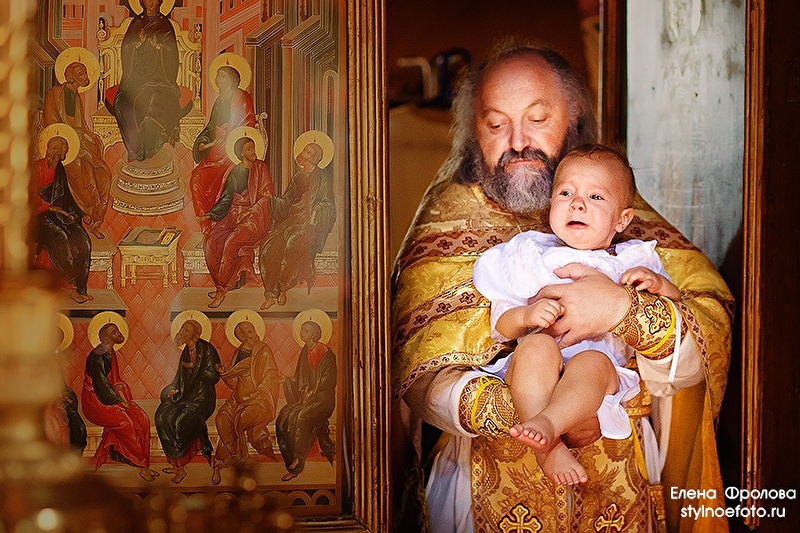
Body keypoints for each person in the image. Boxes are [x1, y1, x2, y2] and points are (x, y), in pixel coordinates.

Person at [391, 42, 733, 532]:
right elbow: (418, 364)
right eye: (496, 124)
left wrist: (623, 311)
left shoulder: (619, 211)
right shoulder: (449, 221)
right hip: (484, 481)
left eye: (536, 119)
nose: (517, 141)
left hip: (619, 477)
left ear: (572, 116)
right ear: (473, 132)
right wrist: (532, 410)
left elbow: (709, 324)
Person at [473, 144, 681, 486]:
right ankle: (549, 448)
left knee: (591, 363)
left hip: (598, 370)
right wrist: (527, 315)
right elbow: (502, 324)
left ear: (622, 219)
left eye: (595, 197)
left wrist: (658, 284)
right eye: (566, 193)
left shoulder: (632, 261)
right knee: (535, 347)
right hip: (540, 367)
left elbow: (677, 304)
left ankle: (549, 425)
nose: (577, 204)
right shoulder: (530, 257)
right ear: (550, 204)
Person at [259, 137, 336, 310]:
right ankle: (270, 293)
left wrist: (315, 210)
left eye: (308, 152)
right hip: (292, 220)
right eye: (304, 151)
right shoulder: (298, 177)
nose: (303, 154)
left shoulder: (324, 178)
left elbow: (328, 204)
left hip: (311, 224)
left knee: (292, 243)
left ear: (315, 158)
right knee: (268, 246)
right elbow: (287, 201)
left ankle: (283, 287)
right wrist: (272, 199)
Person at [201, 136, 274, 308]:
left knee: (231, 243)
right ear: (241, 153)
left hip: (256, 218)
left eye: (253, 148)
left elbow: (267, 197)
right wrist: (210, 214)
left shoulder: (261, 168)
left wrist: (250, 211)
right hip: (234, 215)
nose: (253, 152)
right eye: (249, 149)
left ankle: (222, 290)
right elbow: (227, 198)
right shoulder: (235, 172)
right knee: (211, 241)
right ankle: (219, 284)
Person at [43, 56, 112, 239]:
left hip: (79, 143)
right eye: (80, 74)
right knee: (85, 172)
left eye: (85, 74)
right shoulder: (54, 94)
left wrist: (91, 136)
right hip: (66, 145)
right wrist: (72, 134)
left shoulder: (76, 96)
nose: (84, 77)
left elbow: (81, 125)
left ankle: (96, 219)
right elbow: (51, 122)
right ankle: (88, 213)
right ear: (70, 76)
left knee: (103, 174)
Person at [109, 0, 188, 161]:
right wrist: (137, 44)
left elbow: (172, 55)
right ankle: (135, 149)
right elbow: (126, 50)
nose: (151, 2)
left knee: (154, 100)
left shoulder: (165, 25)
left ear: (160, 1)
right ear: (141, 2)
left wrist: (159, 46)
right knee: (123, 102)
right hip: (135, 79)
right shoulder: (136, 23)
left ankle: (150, 148)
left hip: (161, 79)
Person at [82, 323, 159, 481]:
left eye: (117, 330)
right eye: (114, 332)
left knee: (143, 418)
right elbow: (101, 386)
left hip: (111, 397)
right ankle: (142, 466)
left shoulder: (111, 353)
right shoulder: (97, 357)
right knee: (127, 423)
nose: (118, 333)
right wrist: (120, 402)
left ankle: (139, 461)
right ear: (107, 337)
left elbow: (114, 381)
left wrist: (121, 391)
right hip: (96, 402)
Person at [212, 320, 280, 485]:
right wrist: (224, 375)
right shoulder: (239, 353)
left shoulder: (263, 351)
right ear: (241, 337)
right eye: (249, 332)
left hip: (260, 400)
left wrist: (257, 393)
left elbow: (271, 375)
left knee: (240, 419)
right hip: (239, 399)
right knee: (222, 418)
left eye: (253, 330)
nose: (254, 334)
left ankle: (230, 459)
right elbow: (235, 383)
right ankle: (234, 454)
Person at [191, 60, 256, 234]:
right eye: (217, 76)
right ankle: (206, 224)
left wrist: (231, 134)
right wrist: (203, 142)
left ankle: (221, 226)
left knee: (227, 182)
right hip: (215, 152)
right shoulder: (219, 101)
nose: (218, 80)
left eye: (222, 76)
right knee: (196, 178)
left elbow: (248, 124)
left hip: (233, 152)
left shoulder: (243, 98)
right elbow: (211, 127)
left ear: (232, 79)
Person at [29, 133, 93, 304]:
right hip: (38, 216)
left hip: (59, 215)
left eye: (58, 150)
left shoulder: (60, 170)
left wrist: (82, 214)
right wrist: (48, 206)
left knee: (82, 241)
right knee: (60, 237)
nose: (53, 152)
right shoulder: (37, 168)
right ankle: (70, 286)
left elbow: (67, 199)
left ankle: (80, 289)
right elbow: (28, 195)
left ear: (63, 154)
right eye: (51, 148)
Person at [155, 319, 220, 484]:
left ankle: (181, 468)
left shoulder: (207, 349)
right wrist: (170, 390)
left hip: (202, 398)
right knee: (162, 416)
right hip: (185, 396)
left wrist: (196, 368)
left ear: (194, 334)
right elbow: (180, 378)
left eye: (186, 331)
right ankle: (175, 464)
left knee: (180, 422)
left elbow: (214, 376)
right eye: (182, 329)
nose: (182, 333)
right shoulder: (186, 351)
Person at [275, 320, 337, 482]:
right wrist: (287, 381)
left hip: (323, 398)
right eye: (302, 330)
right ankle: (290, 462)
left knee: (301, 416)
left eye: (307, 331)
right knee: (284, 417)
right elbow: (300, 378)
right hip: (306, 397)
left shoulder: (326, 352)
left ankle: (298, 458)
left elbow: (328, 380)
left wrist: (312, 392)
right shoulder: (305, 351)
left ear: (315, 334)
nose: (303, 333)